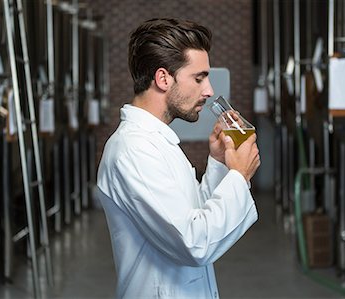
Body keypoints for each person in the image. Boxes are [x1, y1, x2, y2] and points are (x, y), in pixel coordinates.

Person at [97, 18, 261, 299]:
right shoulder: (134, 150)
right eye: (199, 78)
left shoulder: (156, 141)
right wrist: (239, 176)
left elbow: (193, 217)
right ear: (163, 79)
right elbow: (194, 244)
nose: (209, 90)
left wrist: (220, 164)